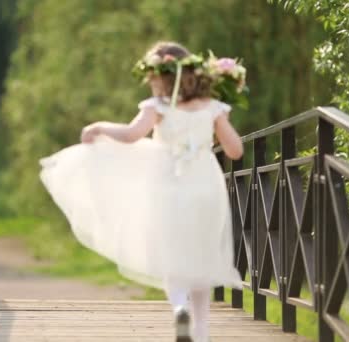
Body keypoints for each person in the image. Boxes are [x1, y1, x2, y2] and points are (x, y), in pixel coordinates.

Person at [40, 41, 244, 342]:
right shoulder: (213, 107)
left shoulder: (158, 107)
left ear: (158, 75)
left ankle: (178, 309)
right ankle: (202, 334)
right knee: (202, 254)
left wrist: (99, 128)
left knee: (170, 252)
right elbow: (235, 151)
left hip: (169, 185)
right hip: (204, 185)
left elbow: (131, 135)